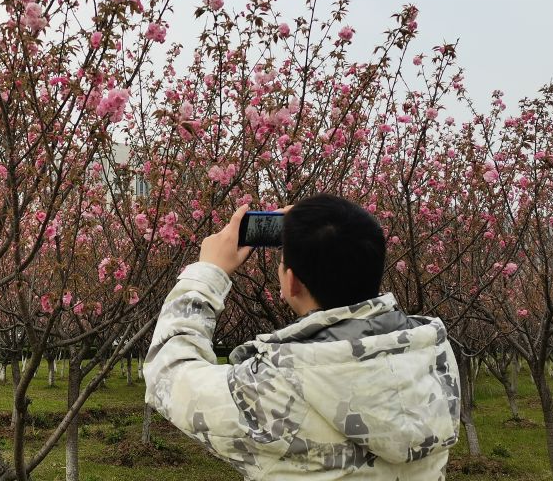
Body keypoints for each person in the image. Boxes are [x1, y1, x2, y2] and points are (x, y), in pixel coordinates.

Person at [144, 194, 460, 479]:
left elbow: (168, 374)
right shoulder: (433, 352)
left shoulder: (275, 389)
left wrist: (207, 272)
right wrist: (326, 228)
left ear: (291, 283)